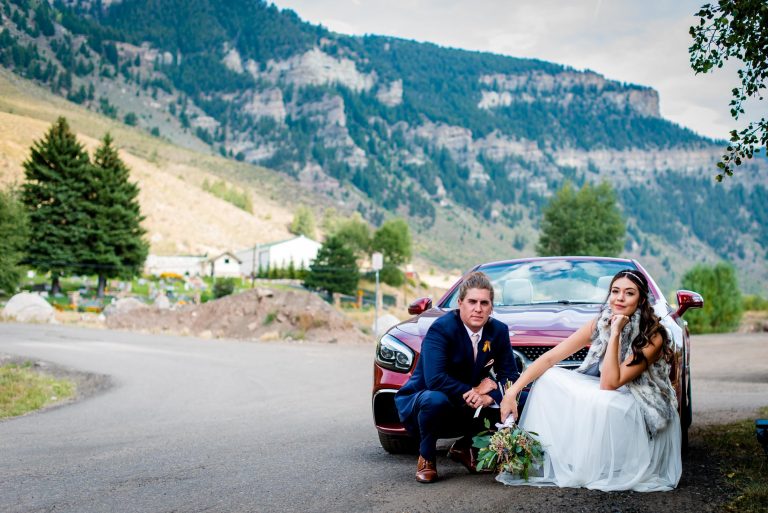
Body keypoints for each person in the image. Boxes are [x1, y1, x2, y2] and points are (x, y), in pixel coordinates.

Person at [498, 268, 682, 492]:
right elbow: (550, 357)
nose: (620, 298)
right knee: (550, 377)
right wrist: (512, 392)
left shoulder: (653, 335)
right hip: (614, 391)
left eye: (629, 293)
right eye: (615, 291)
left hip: (643, 405)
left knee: (603, 401)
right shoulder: (600, 322)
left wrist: (615, 333)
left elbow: (610, 383)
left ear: (642, 299)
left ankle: (603, 462)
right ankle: (560, 457)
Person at [395, 271, 519, 483]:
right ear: (460, 303)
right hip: (425, 400)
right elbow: (435, 379)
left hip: (466, 402)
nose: (478, 309)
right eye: (472, 302)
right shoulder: (441, 330)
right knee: (435, 399)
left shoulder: (498, 331)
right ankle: (426, 456)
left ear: (491, 307)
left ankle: (465, 446)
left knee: (520, 398)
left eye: (484, 303)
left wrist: (491, 397)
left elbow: (509, 375)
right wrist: (477, 390)